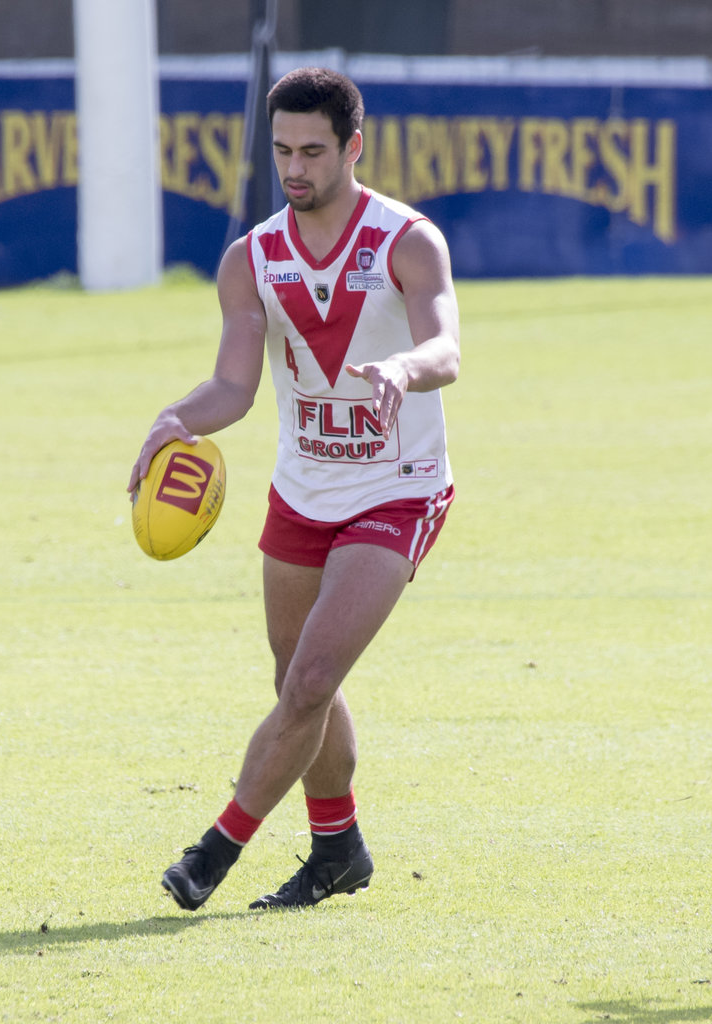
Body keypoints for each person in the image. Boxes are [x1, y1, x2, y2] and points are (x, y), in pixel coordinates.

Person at [127, 66, 460, 911]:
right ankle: (338, 847)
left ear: (353, 146)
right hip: (302, 492)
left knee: (311, 677)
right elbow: (232, 388)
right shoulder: (251, 259)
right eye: (281, 150)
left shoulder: (407, 241)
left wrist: (402, 367)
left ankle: (213, 852)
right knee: (297, 683)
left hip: (397, 489)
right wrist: (175, 418)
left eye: (313, 150)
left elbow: (446, 350)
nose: (294, 168)